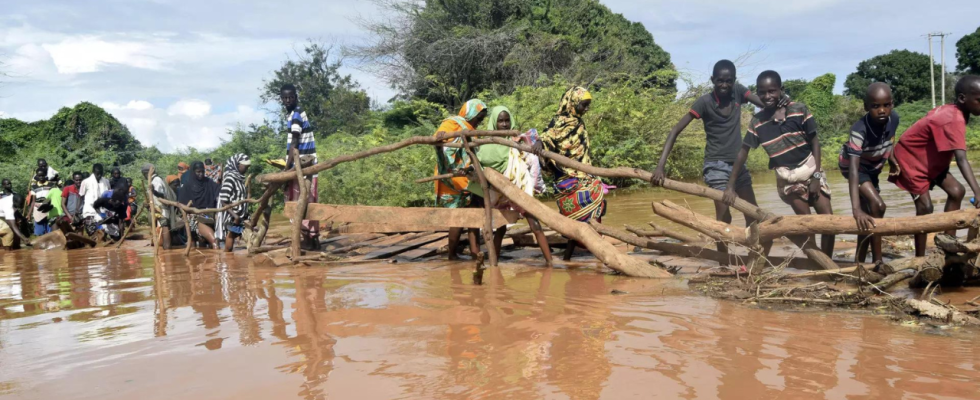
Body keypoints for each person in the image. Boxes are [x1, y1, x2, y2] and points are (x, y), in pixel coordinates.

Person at [651, 60, 780, 256]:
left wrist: (782, 107)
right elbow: (675, 130)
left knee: (752, 214)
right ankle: (723, 259)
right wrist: (660, 166)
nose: (724, 85)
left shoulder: (738, 92)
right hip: (715, 166)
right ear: (713, 80)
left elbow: (764, 103)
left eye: (728, 81)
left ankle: (754, 258)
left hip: (738, 165)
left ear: (734, 80)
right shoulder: (704, 102)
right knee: (723, 215)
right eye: (720, 81)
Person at [724, 70, 835, 256]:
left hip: (811, 170)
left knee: (829, 221)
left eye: (772, 91)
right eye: (762, 92)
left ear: (781, 90)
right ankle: (817, 262)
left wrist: (816, 176)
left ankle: (828, 264)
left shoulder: (799, 110)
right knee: (806, 223)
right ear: (757, 93)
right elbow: (743, 153)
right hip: (788, 179)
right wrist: (730, 185)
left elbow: (815, 142)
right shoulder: (758, 122)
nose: (767, 96)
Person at [889, 75, 980, 257]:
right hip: (910, 161)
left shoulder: (957, 112)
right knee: (925, 208)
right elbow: (961, 158)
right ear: (963, 98)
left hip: (929, 161)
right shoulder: (953, 118)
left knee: (957, 192)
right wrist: (978, 193)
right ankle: (920, 259)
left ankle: (947, 246)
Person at [468, 105, 554, 265]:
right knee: (500, 228)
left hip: (516, 189)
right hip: (498, 192)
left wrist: (538, 143)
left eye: (507, 120)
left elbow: (534, 139)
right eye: (500, 121)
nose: (505, 124)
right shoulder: (485, 145)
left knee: (533, 222)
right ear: (494, 122)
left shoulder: (516, 140)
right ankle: (494, 262)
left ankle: (549, 261)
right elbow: (480, 166)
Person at [534, 86, 605, 260]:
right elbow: (546, 138)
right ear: (572, 103)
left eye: (588, 105)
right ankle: (587, 254)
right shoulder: (558, 123)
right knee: (574, 222)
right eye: (584, 105)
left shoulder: (579, 123)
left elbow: (582, 152)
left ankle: (592, 254)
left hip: (585, 177)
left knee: (594, 215)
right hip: (566, 179)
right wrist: (539, 144)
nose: (586, 109)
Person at [839, 83, 900, 263]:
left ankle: (859, 261)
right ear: (866, 107)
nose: (881, 110)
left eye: (886, 105)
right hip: (854, 168)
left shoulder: (894, 118)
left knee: (870, 213)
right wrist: (855, 209)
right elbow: (853, 171)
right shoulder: (859, 130)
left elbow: (890, 138)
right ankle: (877, 261)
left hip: (873, 167)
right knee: (878, 206)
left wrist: (891, 158)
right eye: (875, 106)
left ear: (892, 104)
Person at [432, 99, 487, 260]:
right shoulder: (452, 123)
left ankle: (475, 252)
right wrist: (440, 137)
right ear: (470, 113)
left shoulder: (471, 130)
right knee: (457, 217)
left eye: (481, 119)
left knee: (474, 214)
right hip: (452, 178)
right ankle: (452, 254)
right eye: (478, 117)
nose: (479, 121)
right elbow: (439, 139)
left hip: (469, 177)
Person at [280, 83, 321, 251]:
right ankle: (313, 240)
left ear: (295, 97)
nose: (288, 100)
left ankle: (306, 239)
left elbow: (295, 142)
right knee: (309, 202)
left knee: (297, 202)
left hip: (302, 166)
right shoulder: (297, 113)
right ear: (281, 99)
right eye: (285, 98)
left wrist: (287, 167)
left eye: (291, 97)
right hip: (308, 165)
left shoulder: (296, 114)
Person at [178, 161, 220, 249]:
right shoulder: (187, 187)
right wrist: (194, 212)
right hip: (194, 218)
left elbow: (219, 191)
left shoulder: (209, 183)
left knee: (205, 246)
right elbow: (182, 205)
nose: (201, 174)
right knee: (213, 243)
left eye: (202, 172)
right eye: (198, 172)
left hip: (209, 215)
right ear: (193, 172)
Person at [215, 154, 251, 252]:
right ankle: (227, 261)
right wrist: (235, 216)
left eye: (248, 167)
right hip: (231, 215)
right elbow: (223, 200)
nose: (246, 169)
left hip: (239, 215)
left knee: (236, 237)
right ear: (237, 165)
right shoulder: (230, 178)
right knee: (230, 241)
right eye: (245, 166)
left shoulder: (239, 178)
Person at [143, 163, 178, 250]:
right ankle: (165, 248)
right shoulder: (153, 180)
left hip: (162, 208)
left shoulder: (156, 180)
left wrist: (153, 191)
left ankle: (167, 248)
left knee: (164, 227)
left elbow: (161, 195)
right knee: (162, 228)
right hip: (157, 208)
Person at [0, 179, 29, 249]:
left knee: (12, 234)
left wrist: (22, 218)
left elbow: (15, 211)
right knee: (9, 232)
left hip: (4, 217)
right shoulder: (8, 205)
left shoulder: (14, 198)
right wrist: (23, 238)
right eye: (20, 204)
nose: (21, 206)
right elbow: (13, 225)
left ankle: (9, 250)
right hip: (3, 218)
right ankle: (7, 253)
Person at [25, 169, 55, 236]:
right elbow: (33, 201)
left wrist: (44, 204)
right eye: (39, 176)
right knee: (39, 231)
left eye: (42, 175)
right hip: (37, 208)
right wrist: (29, 214)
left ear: (45, 175)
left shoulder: (51, 185)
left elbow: (52, 197)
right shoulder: (34, 187)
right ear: (37, 176)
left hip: (48, 208)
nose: (41, 177)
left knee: (50, 230)